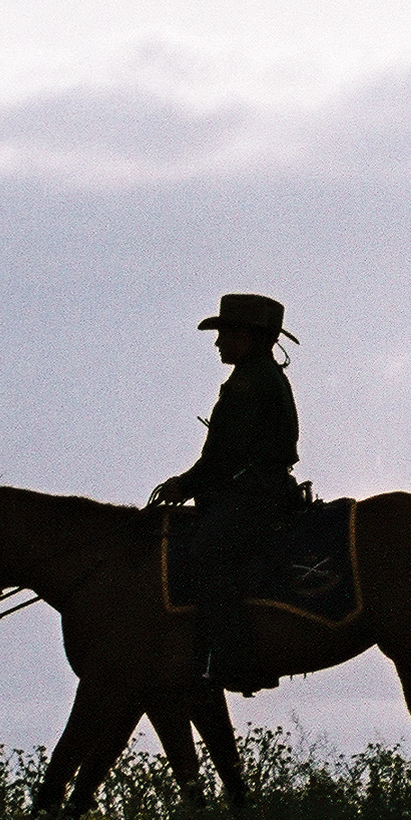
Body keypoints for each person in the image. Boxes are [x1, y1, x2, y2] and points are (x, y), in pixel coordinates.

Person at [150, 293, 302, 694]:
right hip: (259, 489)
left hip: (255, 494)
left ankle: (235, 659)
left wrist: (185, 484)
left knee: (208, 553)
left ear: (249, 338)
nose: (218, 343)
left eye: (226, 334)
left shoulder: (249, 383)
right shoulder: (257, 377)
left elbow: (222, 453)